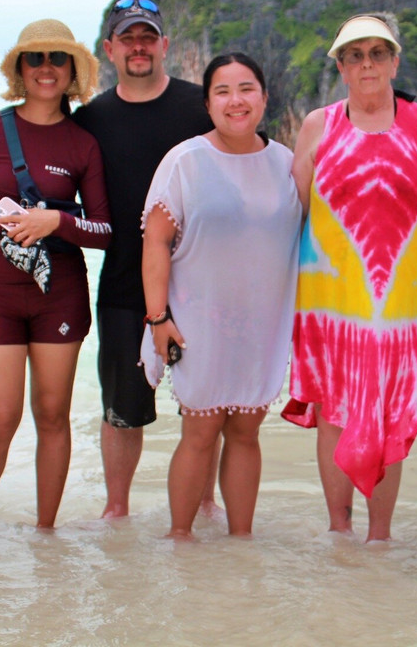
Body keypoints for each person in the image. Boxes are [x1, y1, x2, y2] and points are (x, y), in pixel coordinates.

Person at [283, 14, 417, 542]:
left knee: (391, 410)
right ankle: (339, 531)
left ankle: (380, 537)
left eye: (377, 53)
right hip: (330, 301)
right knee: (333, 410)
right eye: (355, 55)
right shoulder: (319, 125)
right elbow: (292, 212)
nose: (367, 64)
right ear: (341, 68)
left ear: (394, 62)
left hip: (404, 303)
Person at [140, 53, 302, 539]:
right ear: (208, 103)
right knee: (201, 430)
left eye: (246, 88)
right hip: (198, 320)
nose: (236, 101)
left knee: (247, 432)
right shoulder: (185, 161)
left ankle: (241, 545)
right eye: (223, 91)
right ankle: (180, 541)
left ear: (264, 98)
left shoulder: (287, 164)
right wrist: (158, 318)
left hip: (262, 323)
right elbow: (156, 243)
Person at [0, 19, 112, 529]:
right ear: (20, 69)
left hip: (58, 294)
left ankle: (46, 533)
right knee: (0, 417)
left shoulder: (83, 143)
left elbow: (105, 230)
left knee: (52, 416)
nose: (46, 68)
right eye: (35, 58)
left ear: (72, 69)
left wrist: (58, 222)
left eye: (57, 58)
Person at [71, 0, 217, 519]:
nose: (139, 46)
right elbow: (50, 186)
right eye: (128, 38)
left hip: (200, 282)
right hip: (123, 285)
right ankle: (117, 510)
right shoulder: (90, 120)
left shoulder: (201, 106)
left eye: (147, 37)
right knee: (122, 409)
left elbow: (250, 164)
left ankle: (205, 504)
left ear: (165, 45)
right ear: (109, 49)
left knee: (204, 408)